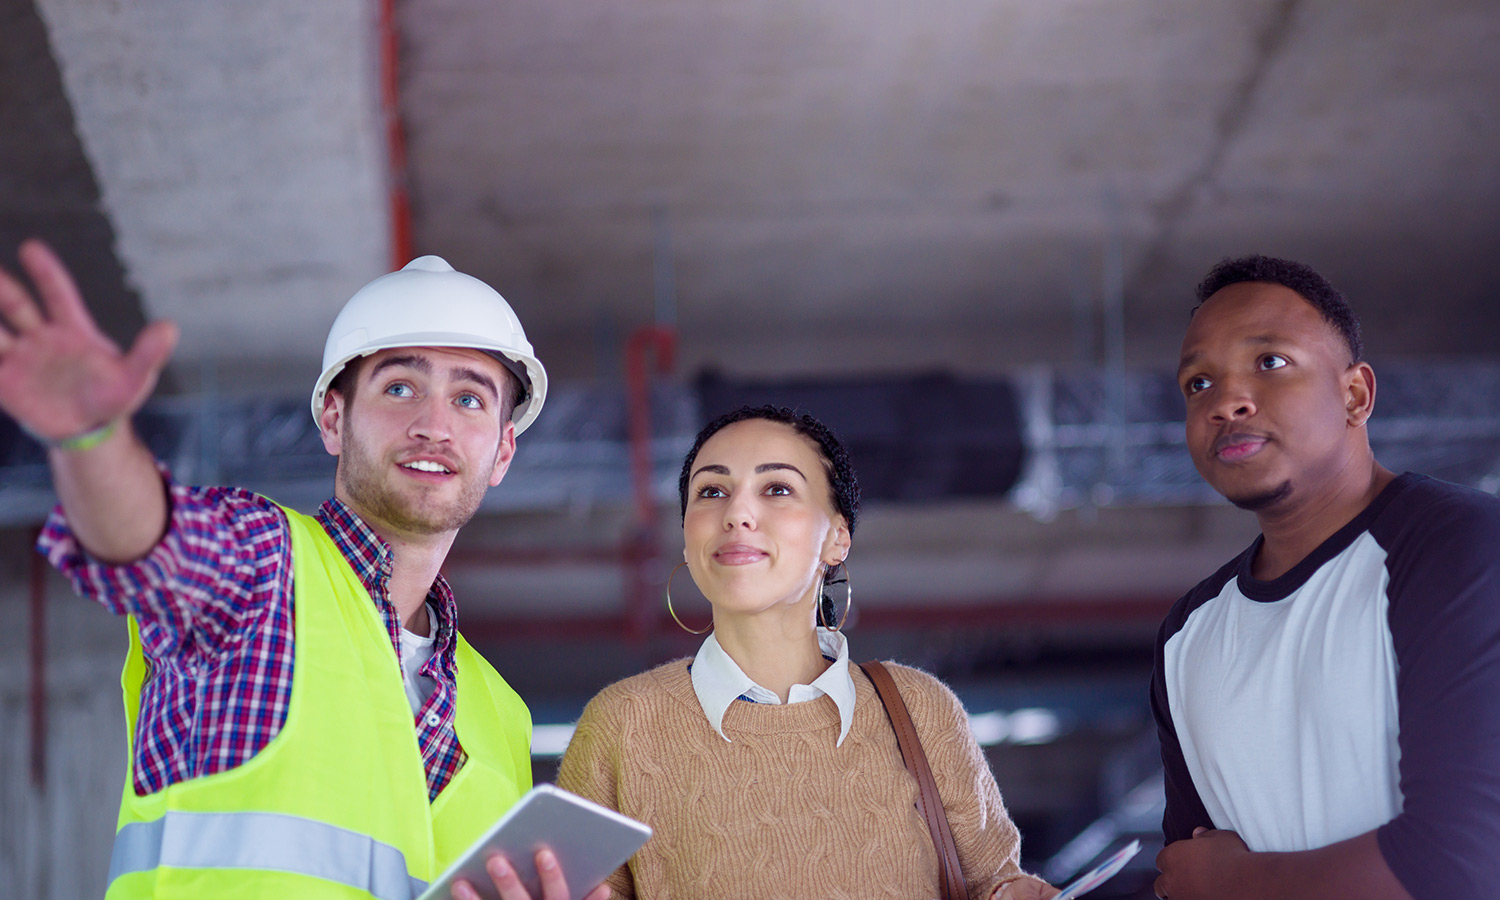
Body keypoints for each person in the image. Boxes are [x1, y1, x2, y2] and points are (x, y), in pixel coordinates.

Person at [0, 240, 606, 900]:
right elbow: (149, 542)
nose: (434, 425)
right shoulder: (260, 568)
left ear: (503, 450)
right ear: (333, 418)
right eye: (400, 388)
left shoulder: (502, 714)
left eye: (469, 400)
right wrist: (92, 439)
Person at [556, 405, 1057, 900]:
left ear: (837, 537)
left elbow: (993, 880)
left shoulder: (922, 710)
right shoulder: (622, 725)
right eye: (711, 491)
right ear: (687, 540)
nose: (737, 514)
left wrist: (1010, 892)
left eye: (777, 489)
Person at [1150, 255, 1500, 900]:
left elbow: (1464, 861)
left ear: (1354, 395)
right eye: (1198, 384)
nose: (1226, 401)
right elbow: (1187, 877)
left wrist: (1239, 880)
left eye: (1270, 362)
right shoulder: (1187, 634)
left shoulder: (1461, 547)